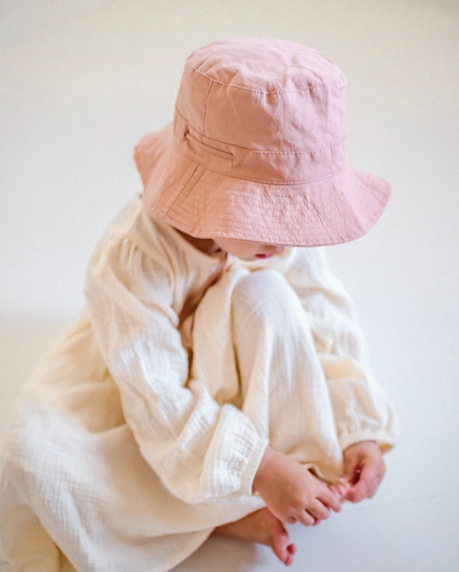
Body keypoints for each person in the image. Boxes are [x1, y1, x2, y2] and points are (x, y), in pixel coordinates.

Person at [0, 37, 397, 571]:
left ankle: (249, 487)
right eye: (266, 212)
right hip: (150, 385)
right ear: (209, 191)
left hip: (245, 384)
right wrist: (257, 465)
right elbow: (155, 395)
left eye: (297, 214)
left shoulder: (275, 246)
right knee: (37, 465)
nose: (284, 240)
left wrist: (357, 430)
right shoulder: (131, 257)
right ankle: (228, 507)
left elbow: (322, 318)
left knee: (268, 295)